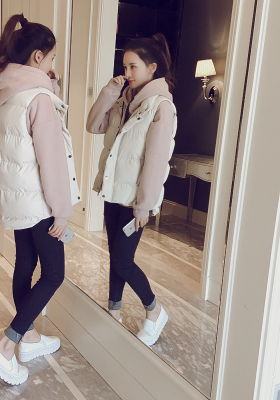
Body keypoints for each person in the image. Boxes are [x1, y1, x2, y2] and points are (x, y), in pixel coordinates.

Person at [0, 14, 80, 385]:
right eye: (51, 58)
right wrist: (62, 211)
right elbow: (51, 161)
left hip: (17, 198)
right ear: (38, 57)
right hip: (40, 202)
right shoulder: (39, 99)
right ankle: (7, 346)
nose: (53, 64)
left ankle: (31, 339)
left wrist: (50, 85)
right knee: (53, 274)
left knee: (25, 264)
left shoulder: (7, 93)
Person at [86, 34, 177, 346]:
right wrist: (109, 92)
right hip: (113, 193)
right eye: (124, 66)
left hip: (134, 200)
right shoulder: (124, 99)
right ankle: (113, 310)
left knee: (124, 261)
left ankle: (154, 310)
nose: (127, 72)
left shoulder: (161, 106)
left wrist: (144, 206)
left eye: (133, 66)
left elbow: (156, 160)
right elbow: (94, 125)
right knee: (116, 256)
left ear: (152, 68)